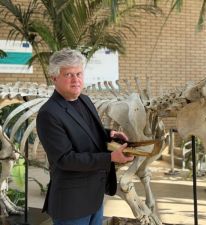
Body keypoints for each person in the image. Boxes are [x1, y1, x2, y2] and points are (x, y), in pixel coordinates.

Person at [36, 48, 134, 225]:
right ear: (54, 78)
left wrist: (109, 134)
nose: (76, 80)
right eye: (68, 75)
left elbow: (86, 130)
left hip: (94, 196)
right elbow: (65, 159)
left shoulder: (84, 100)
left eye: (79, 73)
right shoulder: (48, 114)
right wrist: (110, 157)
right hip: (71, 203)